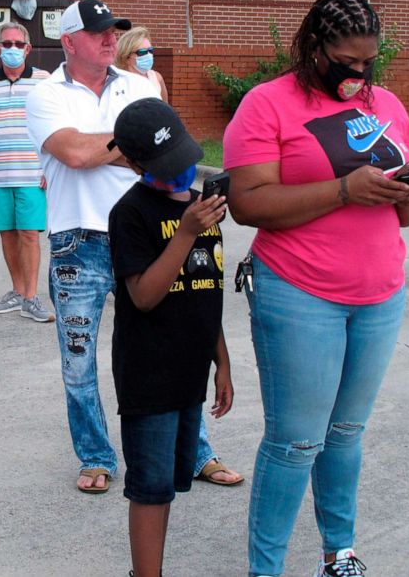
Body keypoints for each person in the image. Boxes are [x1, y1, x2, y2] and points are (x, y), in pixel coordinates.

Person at [223, 0, 409, 577]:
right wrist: (345, 189)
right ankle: (265, 569)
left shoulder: (384, 103)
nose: (359, 73)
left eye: (369, 62)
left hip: (381, 294)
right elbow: (248, 202)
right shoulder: (268, 104)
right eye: (347, 61)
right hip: (299, 292)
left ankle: (339, 552)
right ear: (313, 45)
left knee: (344, 433)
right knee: (296, 442)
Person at [25, 0, 242, 493]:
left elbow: (165, 152)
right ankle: (96, 455)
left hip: (149, 232)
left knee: (176, 341)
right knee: (78, 359)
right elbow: (77, 154)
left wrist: (113, 148)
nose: (109, 38)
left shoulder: (140, 87)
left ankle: (195, 451)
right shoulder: (44, 94)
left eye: (113, 30)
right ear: (69, 41)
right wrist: (133, 145)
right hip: (79, 239)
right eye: (98, 31)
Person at [108, 97, 233, 577]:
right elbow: (143, 295)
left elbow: (207, 286)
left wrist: (221, 360)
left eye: (184, 159)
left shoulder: (202, 206)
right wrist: (183, 234)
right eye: (167, 167)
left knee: (173, 479)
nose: (182, 173)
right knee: (150, 485)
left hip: (190, 367)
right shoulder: (131, 213)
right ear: (136, 164)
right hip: (149, 372)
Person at [0, 22, 54, 323]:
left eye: (19, 44)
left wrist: (51, 166)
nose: (13, 50)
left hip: (33, 174)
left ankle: (31, 297)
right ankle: (17, 291)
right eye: (7, 44)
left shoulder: (44, 82)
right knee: (7, 234)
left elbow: (54, 127)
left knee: (29, 234)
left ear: (28, 49)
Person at [116, 26, 168, 102]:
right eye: (142, 52)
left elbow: (165, 108)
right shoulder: (117, 82)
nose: (148, 55)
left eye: (150, 50)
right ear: (126, 57)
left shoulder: (156, 78)